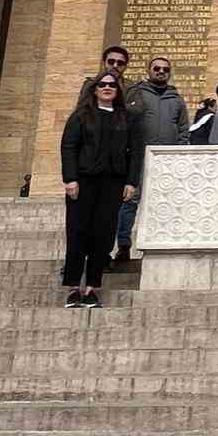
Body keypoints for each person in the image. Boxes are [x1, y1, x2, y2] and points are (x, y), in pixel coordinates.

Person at [59, 72, 142, 308]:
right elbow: (68, 147)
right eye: (102, 85)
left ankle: (92, 287)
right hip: (83, 182)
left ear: (118, 90)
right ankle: (74, 287)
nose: (107, 88)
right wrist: (70, 178)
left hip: (112, 183)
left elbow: (135, 152)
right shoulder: (81, 116)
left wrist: (131, 182)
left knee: (103, 236)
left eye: (112, 85)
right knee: (77, 232)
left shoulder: (127, 118)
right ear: (95, 89)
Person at [115, 55, 189, 264]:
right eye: (157, 68)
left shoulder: (176, 99)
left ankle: (165, 243)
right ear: (149, 70)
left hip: (167, 161)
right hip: (138, 157)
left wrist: (179, 153)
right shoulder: (137, 93)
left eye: (165, 69)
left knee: (165, 201)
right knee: (130, 201)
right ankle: (123, 245)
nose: (161, 72)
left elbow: (183, 128)